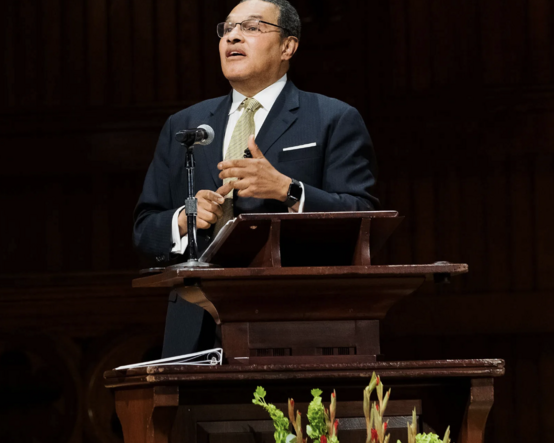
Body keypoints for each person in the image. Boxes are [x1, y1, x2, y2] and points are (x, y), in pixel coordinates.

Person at [133, 0, 379, 358]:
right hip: (196, 322)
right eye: (227, 28)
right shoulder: (184, 125)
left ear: (288, 46)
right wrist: (184, 219)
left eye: (251, 28)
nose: (233, 36)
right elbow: (144, 228)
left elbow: (362, 217)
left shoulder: (332, 118)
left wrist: (288, 190)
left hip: (294, 318)